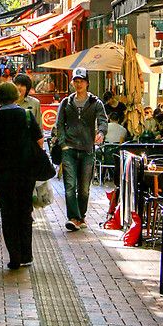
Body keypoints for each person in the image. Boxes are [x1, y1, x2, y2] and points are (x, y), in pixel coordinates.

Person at [0, 82, 43, 269]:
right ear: (16, 95)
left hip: (3, 173)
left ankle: (14, 256)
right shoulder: (26, 115)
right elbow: (39, 140)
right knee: (25, 212)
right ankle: (27, 254)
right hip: (26, 172)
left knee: (8, 214)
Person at [56, 67, 108, 231]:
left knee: (84, 189)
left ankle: (81, 216)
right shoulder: (66, 102)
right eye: (76, 81)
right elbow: (59, 124)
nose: (78, 84)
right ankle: (74, 218)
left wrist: (101, 133)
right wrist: (63, 143)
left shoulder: (95, 103)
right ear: (72, 83)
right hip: (69, 149)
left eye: (81, 81)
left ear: (87, 83)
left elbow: (103, 121)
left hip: (87, 150)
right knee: (70, 186)